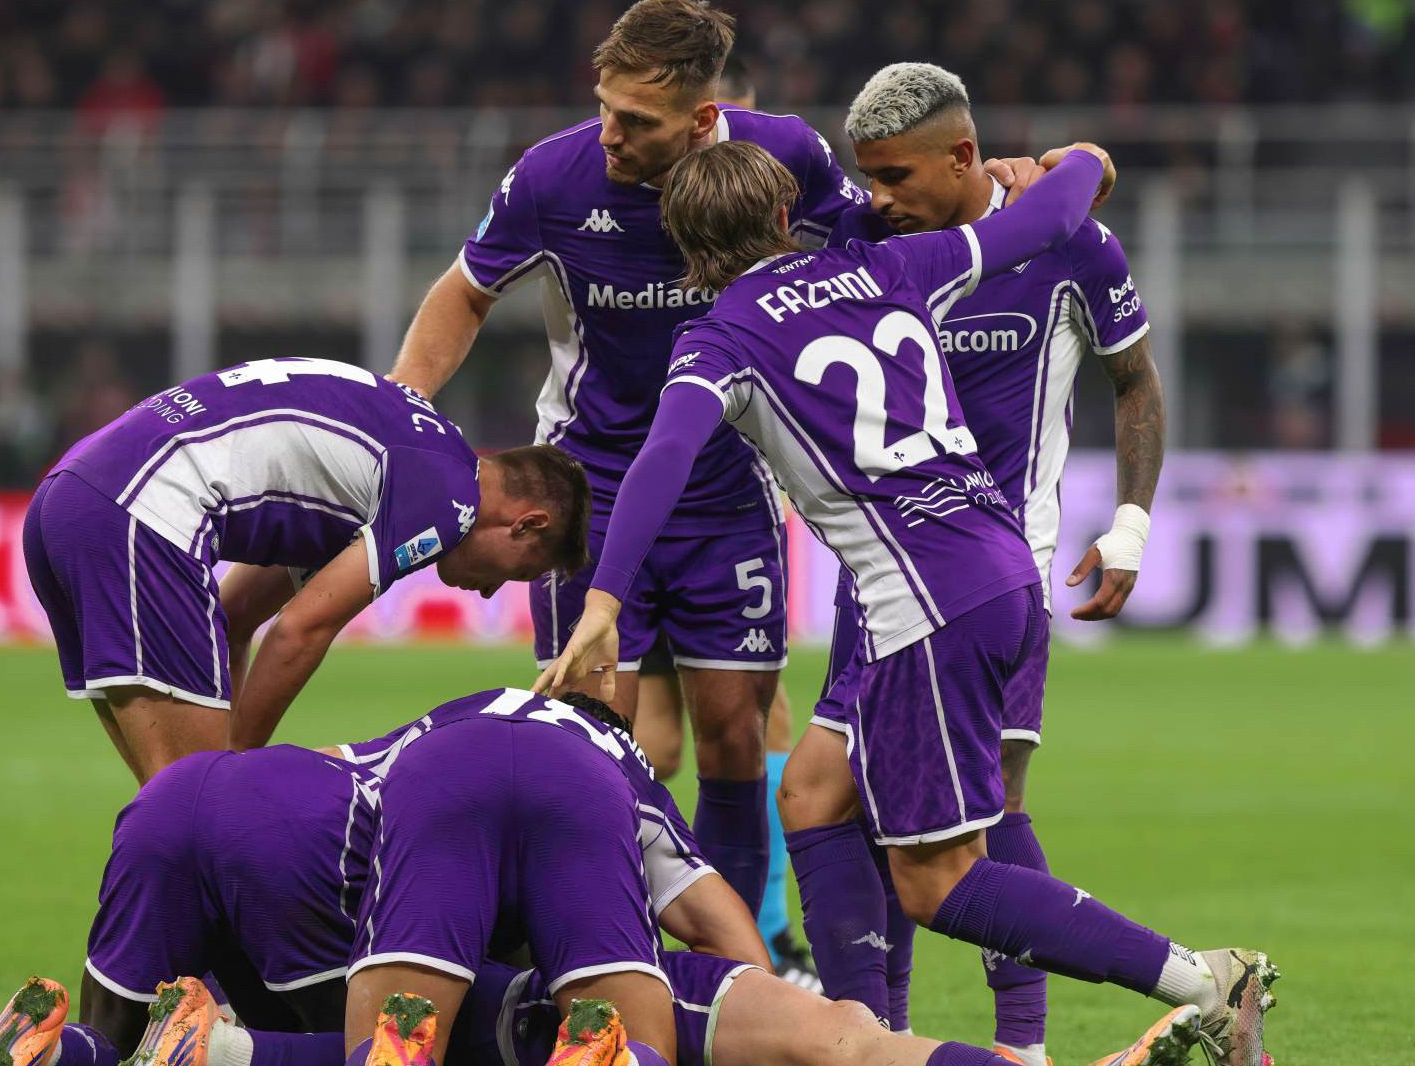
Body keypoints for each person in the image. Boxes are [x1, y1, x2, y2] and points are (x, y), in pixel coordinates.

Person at [535, 139, 1276, 1066]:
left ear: (686, 251)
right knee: (812, 792)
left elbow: (663, 458)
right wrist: (1086, 160)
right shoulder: (889, 265)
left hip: (924, 602)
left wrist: (604, 599)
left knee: (937, 882)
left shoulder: (717, 340)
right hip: (995, 563)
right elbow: (1051, 217)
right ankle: (868, 1039)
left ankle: (1201, 982)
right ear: (782, 218)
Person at [0, 689, 1204, 1066]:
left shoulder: (448, 717)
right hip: (566, 866)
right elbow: (713, 913)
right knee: (830, 1036)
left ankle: (114, 1050)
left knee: (402, 1041)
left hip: (329, 803)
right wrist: (745, 988)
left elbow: (345, 777)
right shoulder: (617, 772)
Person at [389, 0, 874, 920]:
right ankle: (605, 948)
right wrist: (401, 412)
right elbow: (466, 290)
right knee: (590, 741)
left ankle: (732, 968)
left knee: (734, 737)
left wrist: (1000, 195)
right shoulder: (553, 176)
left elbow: (885, 243)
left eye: (637, 121)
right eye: (604, 107)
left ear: (703, 118)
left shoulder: (786, 158)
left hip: (727, 489)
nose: (609, 134)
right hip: (590, 490)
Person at [776, 63, 1166, 1065]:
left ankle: (1021, 1043)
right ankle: (880, 1034)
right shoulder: (867, 242)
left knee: (990, 800)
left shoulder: (1071, 244)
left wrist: (1129, 523)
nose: (875, 197)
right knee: (853, 800)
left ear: (961, 156)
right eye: (868, 175)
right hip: (884, 569)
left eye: (896, 175)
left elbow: (1133, 380)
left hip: (1001, 567)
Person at [23, 357, 589, 784]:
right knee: (198, 808)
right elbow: (301, 630)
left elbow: (235, 616)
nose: (489, 593)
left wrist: (228, 757)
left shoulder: (410, 450)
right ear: (526, 525)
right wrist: (236, 772)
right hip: (145, 510)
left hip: (69, 496)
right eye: (519, 573)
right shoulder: (450, 498)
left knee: (172, 801)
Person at [620, 39, 814, 984]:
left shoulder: (727, 309)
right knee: (710, 738)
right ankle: (753, 942)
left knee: (718, 733)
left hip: (721, 504)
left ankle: (736, 948)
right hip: (652, 505)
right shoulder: (723, 322)